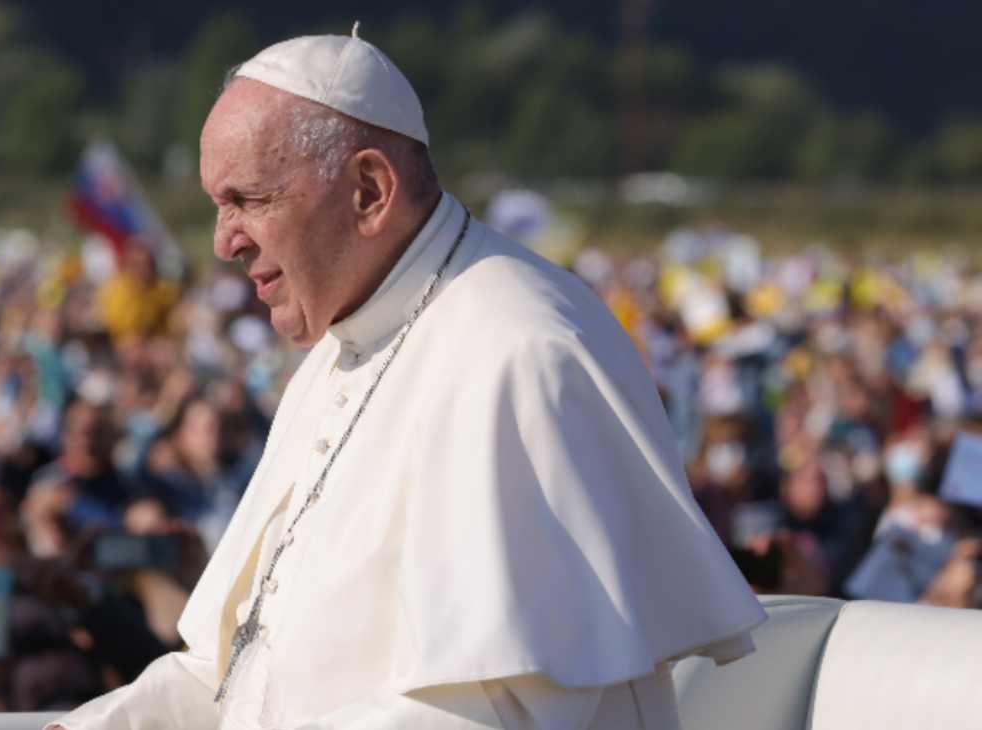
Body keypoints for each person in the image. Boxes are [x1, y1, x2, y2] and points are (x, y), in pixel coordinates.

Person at [52, 27, 766, 730]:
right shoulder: (338, 348)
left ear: (369, 190)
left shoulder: (517, 350)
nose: (223, 242)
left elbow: (496, 710)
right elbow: (238, 671)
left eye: (250, 200)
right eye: (219, 206)